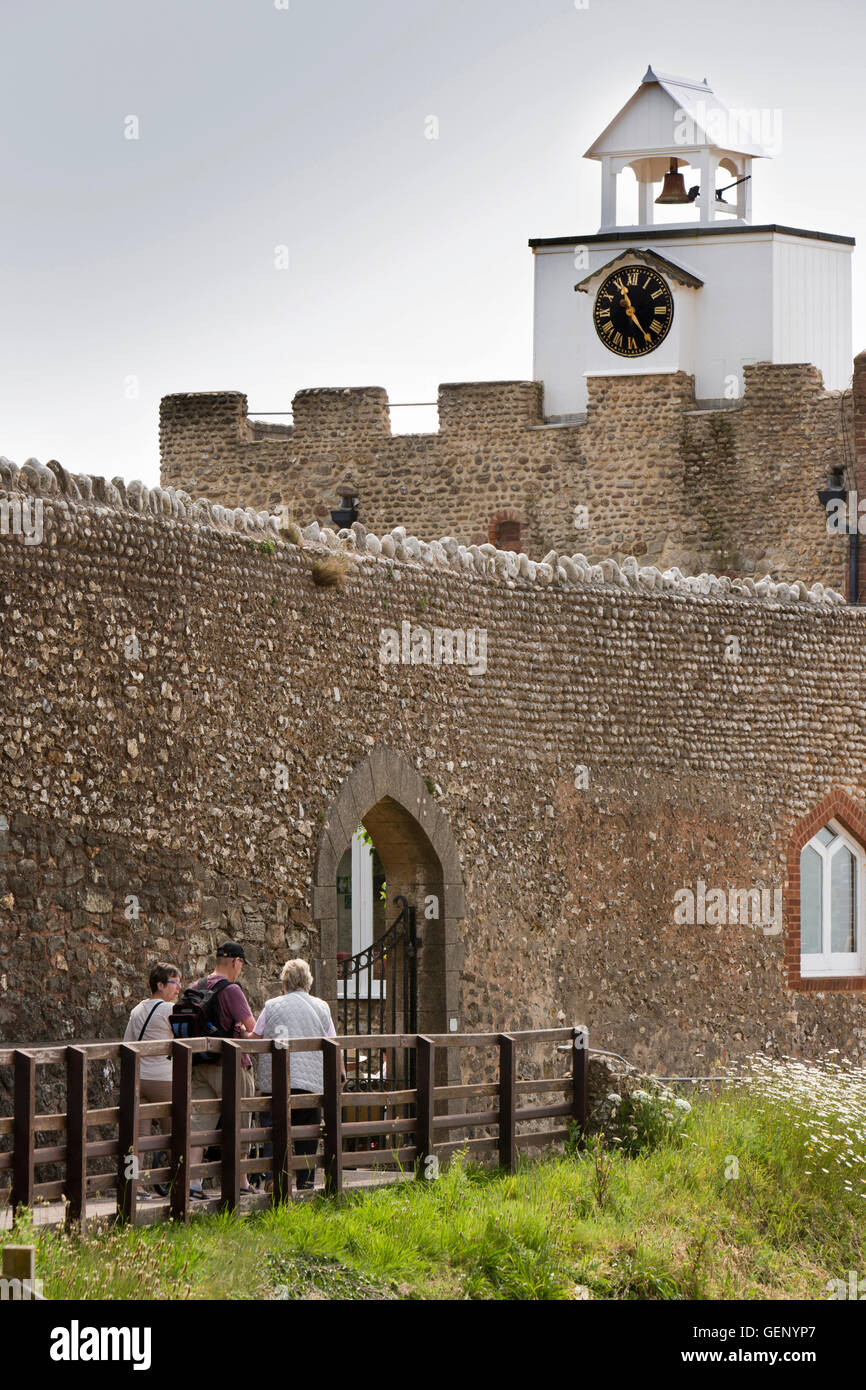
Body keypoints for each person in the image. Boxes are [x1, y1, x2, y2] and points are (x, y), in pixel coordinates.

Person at [253, 959, 344, 1192]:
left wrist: (239, 1035)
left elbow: (254, 1038)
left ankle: (274, 1178)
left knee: (273, 1130)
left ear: (284, 983)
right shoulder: (321, 1007)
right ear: (308, 983)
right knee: (308, 1133)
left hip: (275, 1084)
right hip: (310, 1083)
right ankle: (306, 1183)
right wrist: (340, 1073)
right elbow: (333, 1042)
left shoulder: (272, 1006)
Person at [188, 942, 258, 1199]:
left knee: (199, 1125)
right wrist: (245, 1033)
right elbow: (254, 1032)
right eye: (241, 965)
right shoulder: (232, 990)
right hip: (231, 1068)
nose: (240, 970)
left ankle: (193, 1184)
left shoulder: (197, 987)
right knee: (240, 1122)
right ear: (235, 962)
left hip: (201, 1065)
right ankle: (240, 1181)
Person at [124, 962, 182, 1197]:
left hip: (139, 1078)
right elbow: (184, 1038)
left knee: (138, 1138)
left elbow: (127, 1042)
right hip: (163, 1079)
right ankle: (179, 1183)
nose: (179, 988)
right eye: (175, 983)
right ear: (160, 984)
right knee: (176, 1133)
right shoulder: (169, 1010)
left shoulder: (137, 1009)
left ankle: (133, 1186)